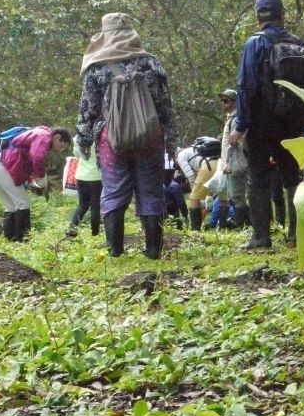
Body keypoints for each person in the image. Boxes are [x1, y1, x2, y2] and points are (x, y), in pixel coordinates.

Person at [77, 13, 177, 259]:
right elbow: (165, 106)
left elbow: (88, 109)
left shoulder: (97, 67)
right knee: (151, 190)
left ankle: (115, 249)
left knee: (113, 190)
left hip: (112, 141)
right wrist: (172, 139)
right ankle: (154, 249)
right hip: (150, 139)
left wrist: (84, 140)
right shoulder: (152, 64)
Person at [228, 0, 304, 250]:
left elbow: (246, 87)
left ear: (257, 16)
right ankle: (296, 235)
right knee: (292, 177)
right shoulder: (298, 44)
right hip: (293, 123)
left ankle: (261, 237)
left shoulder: (254, 44)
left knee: (258, 178)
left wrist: (240, 125)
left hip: (261, 123)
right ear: (282, 14)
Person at [0, 126, 70, 241]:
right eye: (62, 145)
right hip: (2, 166)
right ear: (57, 137)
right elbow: (37, 159)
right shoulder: (44, 136)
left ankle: (10, 240)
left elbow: (26, 162)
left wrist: (32, 181)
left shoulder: (35, 135)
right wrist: (41, 175)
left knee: (10, 206)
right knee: (23, 203)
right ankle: (23, 241)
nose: (60, 150)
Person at [217, 88, 249, 228]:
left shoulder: (236, 119)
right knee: (234, 195)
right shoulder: (230, 118)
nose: (223, 104)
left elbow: (234, 142)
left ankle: (240, 224)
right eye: (222, 101)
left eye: (226, 101)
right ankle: (248, 223)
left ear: (235, 102)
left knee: (237, 195)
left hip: (236, 162)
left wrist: (228, 164)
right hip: (231, 162)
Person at [176, 138, 221, 231]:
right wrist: (209, 195)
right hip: (221, 163)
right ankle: (223, 226)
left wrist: (194, 191)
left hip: (208, 165)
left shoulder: (180, 156)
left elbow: (190, 175)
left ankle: (195, 230)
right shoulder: (192, 150)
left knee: (194, 199)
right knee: (223, 198)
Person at [66, 135, 103, 238]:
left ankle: (71, 231)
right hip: (97, 177)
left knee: (82, 205)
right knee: (95, 206)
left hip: (81, 176)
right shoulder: (99, 135)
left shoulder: (77, 137)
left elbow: (77, 155)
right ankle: (95, 234)